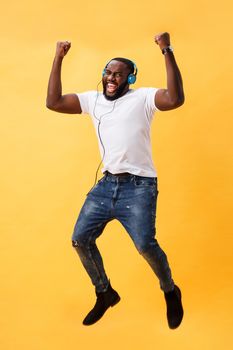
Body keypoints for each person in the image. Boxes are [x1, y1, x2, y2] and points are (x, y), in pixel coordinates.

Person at [46, 32, 185, 329]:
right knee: (80, 240)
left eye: (119, 75)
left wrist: (167, 51)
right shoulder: (93, 100)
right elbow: (54, 102)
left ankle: (170, 290)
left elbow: (175, 99)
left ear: (130, 79)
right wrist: (58, 57)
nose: (112, 78)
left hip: (139, 187)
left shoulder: (144, 97)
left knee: (146, 245)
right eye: (108, 72)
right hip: (106, 185)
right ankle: (105, 292)